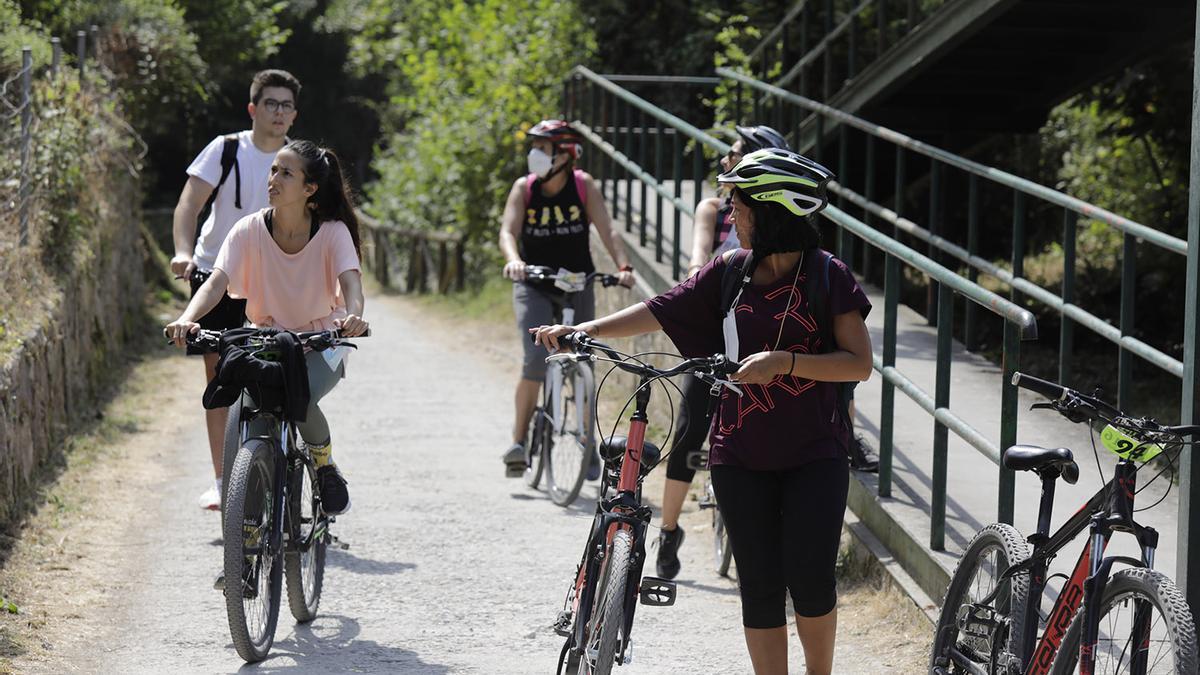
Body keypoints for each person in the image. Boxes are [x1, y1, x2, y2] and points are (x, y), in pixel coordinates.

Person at [532, 148, 873, 675]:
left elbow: (858, 364)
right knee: (758, 584)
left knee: (810, 580)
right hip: (738, 454)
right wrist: (586, 331)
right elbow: (661, 307)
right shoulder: (731, 271)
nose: (728, 213)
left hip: (816, 453)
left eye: (738, 204)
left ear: (773, 211)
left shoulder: (828, 276)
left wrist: (784, 363)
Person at [165, 140, 367, 516]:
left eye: (285, 173)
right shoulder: (249, 229)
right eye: (273, 170)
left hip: (320, 340)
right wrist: (187, 317)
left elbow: (352, 284)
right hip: (266, 338)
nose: (273, 179)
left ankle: (324, 465)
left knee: (299, 397)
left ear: (310, 189)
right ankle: (250, 531)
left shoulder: (333, 232)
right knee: (255, 413)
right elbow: (216, 283)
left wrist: (353, 315)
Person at [656, 124, 791, 581]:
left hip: (765, 337)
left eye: (733, 152)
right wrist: (701, 282)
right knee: (691, 418)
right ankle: (669, 528)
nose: (724, 159)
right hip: (718, 327)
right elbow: (697, 259)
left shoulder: (779, 217)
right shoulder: (714, 209)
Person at [169, 69, 302, 510]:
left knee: (284, 366)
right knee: (218, 374)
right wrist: (183, 252)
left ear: (295, 113)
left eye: (286, 105)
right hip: (216, 272)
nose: (279, 112)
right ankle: (224, 477)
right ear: (253, 109)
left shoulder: (299, 159)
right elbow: (190, 203)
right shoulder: (226, 150)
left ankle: (277, 462)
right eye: (271, 104)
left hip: (275, 278)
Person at [499, 119, 634, 476]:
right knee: (533, 361)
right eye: (535, 148)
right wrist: (514, 262)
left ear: (564, 155)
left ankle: (589, 444)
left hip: (578, 282)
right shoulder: (524, 188)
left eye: (542, 149)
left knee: (584, 360)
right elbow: (507, 231)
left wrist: (623, 266)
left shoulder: (582, 185)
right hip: (535, 282)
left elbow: (608, 229)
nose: (534, 155)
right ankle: (518, 443)